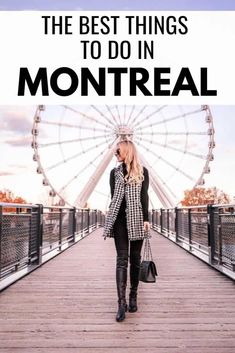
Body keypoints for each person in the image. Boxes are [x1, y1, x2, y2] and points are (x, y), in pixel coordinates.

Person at [103, 139, 150, 322]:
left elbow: (144, 196)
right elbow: (114, 196)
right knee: (121, 260)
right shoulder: (113, 173)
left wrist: (146, 219)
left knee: (136, 260)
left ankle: (133, 296)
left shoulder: (143, 172)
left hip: (137, 218)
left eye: (118, 151)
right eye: (115, 152)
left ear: (127, 151)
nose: (115, 154)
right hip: (119, 220)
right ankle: (121, 303)